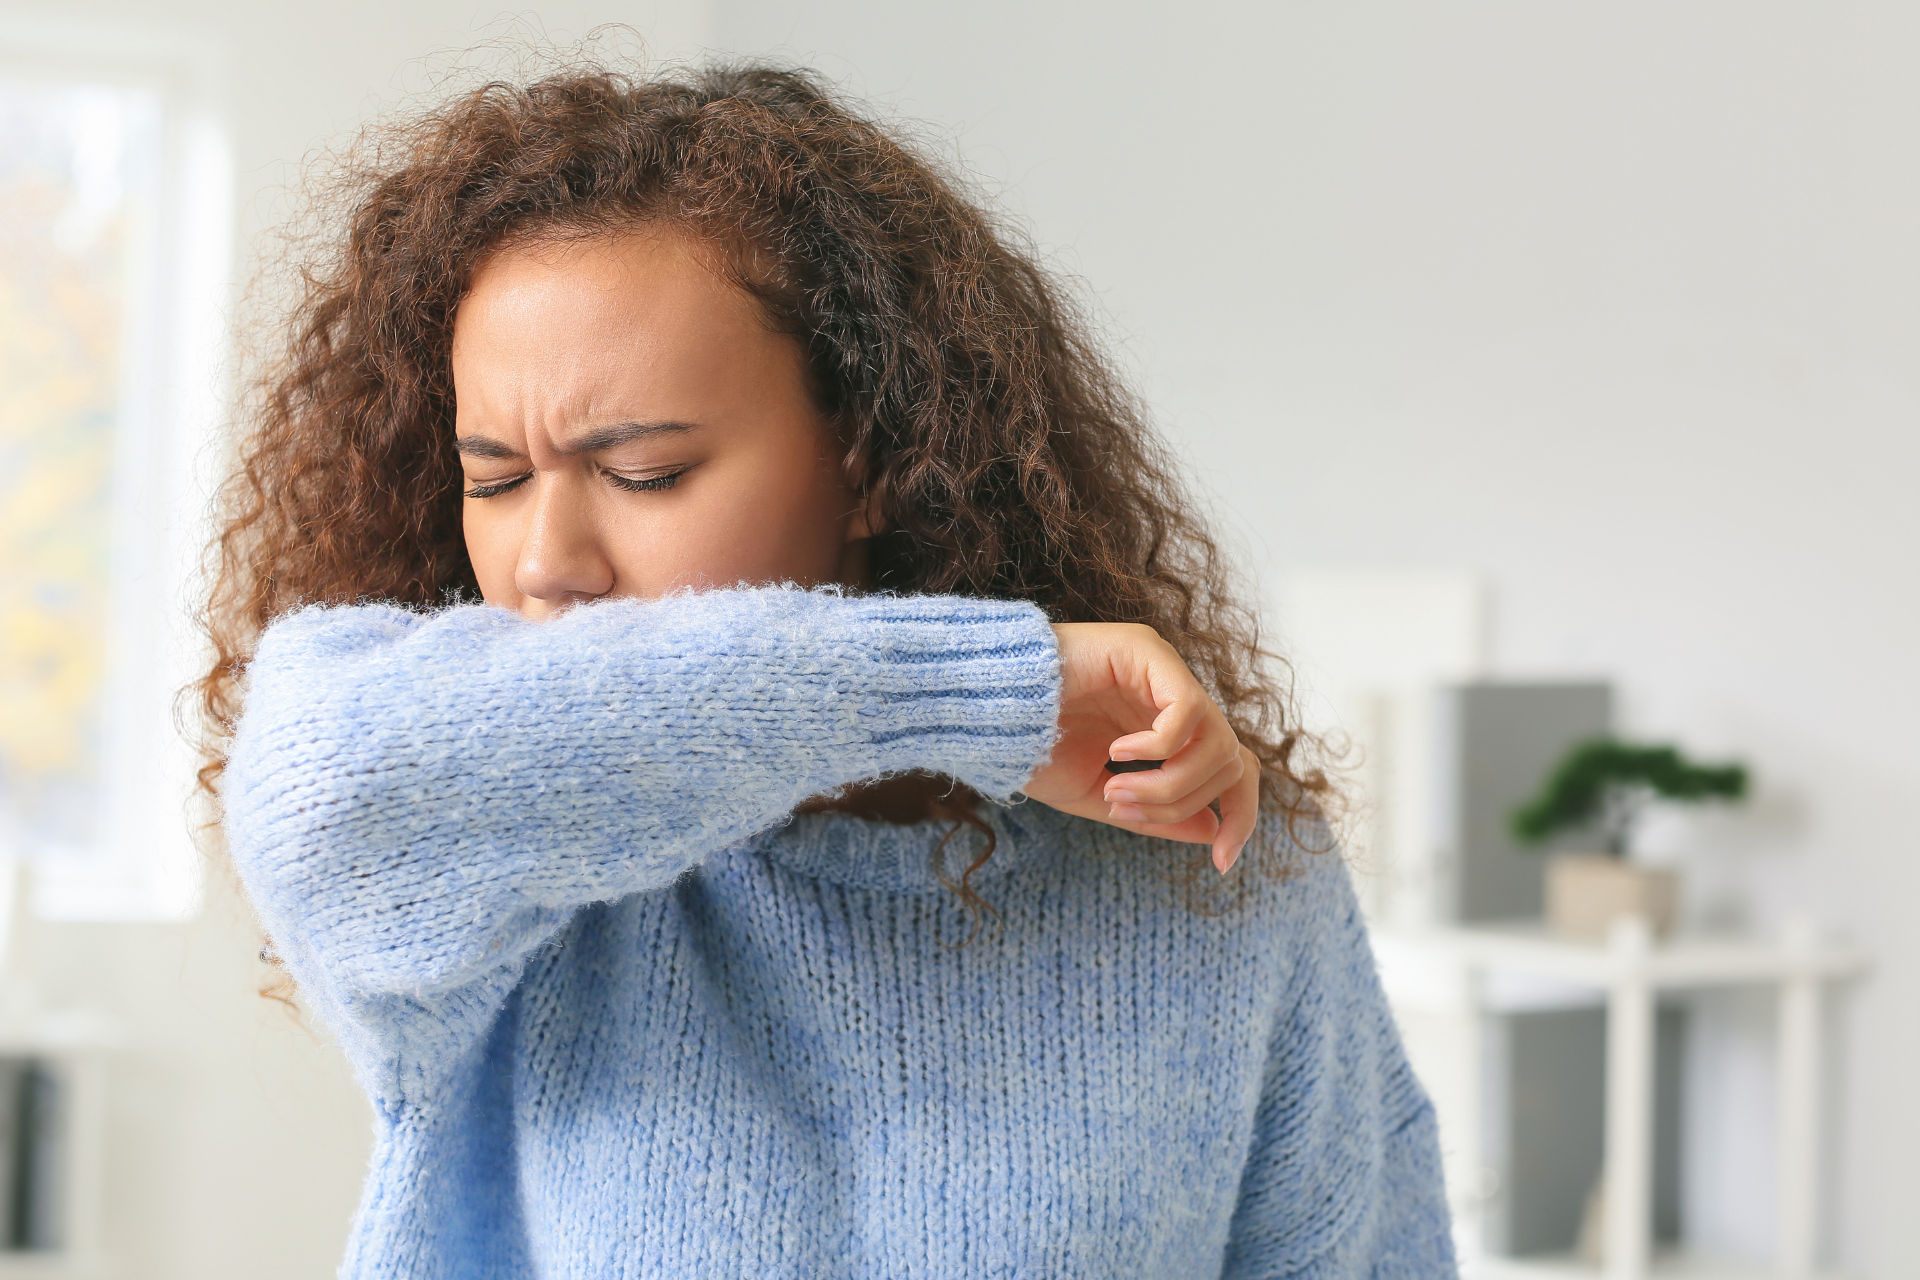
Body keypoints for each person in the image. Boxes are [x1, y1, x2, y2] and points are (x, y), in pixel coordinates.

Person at [204, 59, 1456, 1279]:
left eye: (643, 473)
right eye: (494, 478)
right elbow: (323, 781)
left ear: (869, 460)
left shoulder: (1213, 871)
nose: (545, 561)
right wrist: (973, 692)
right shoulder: (504, 871)